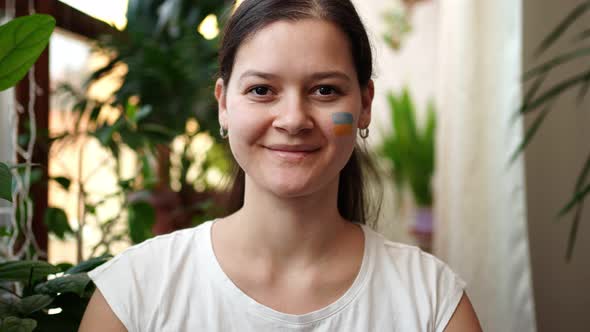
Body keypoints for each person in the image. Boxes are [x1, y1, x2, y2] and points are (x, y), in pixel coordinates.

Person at [79, 0, 483, 331]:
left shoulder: (433, 302)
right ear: (223, 104)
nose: (293, 120)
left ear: (364, 105)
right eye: (261, 90)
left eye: (325, 90)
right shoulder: (135, 291)